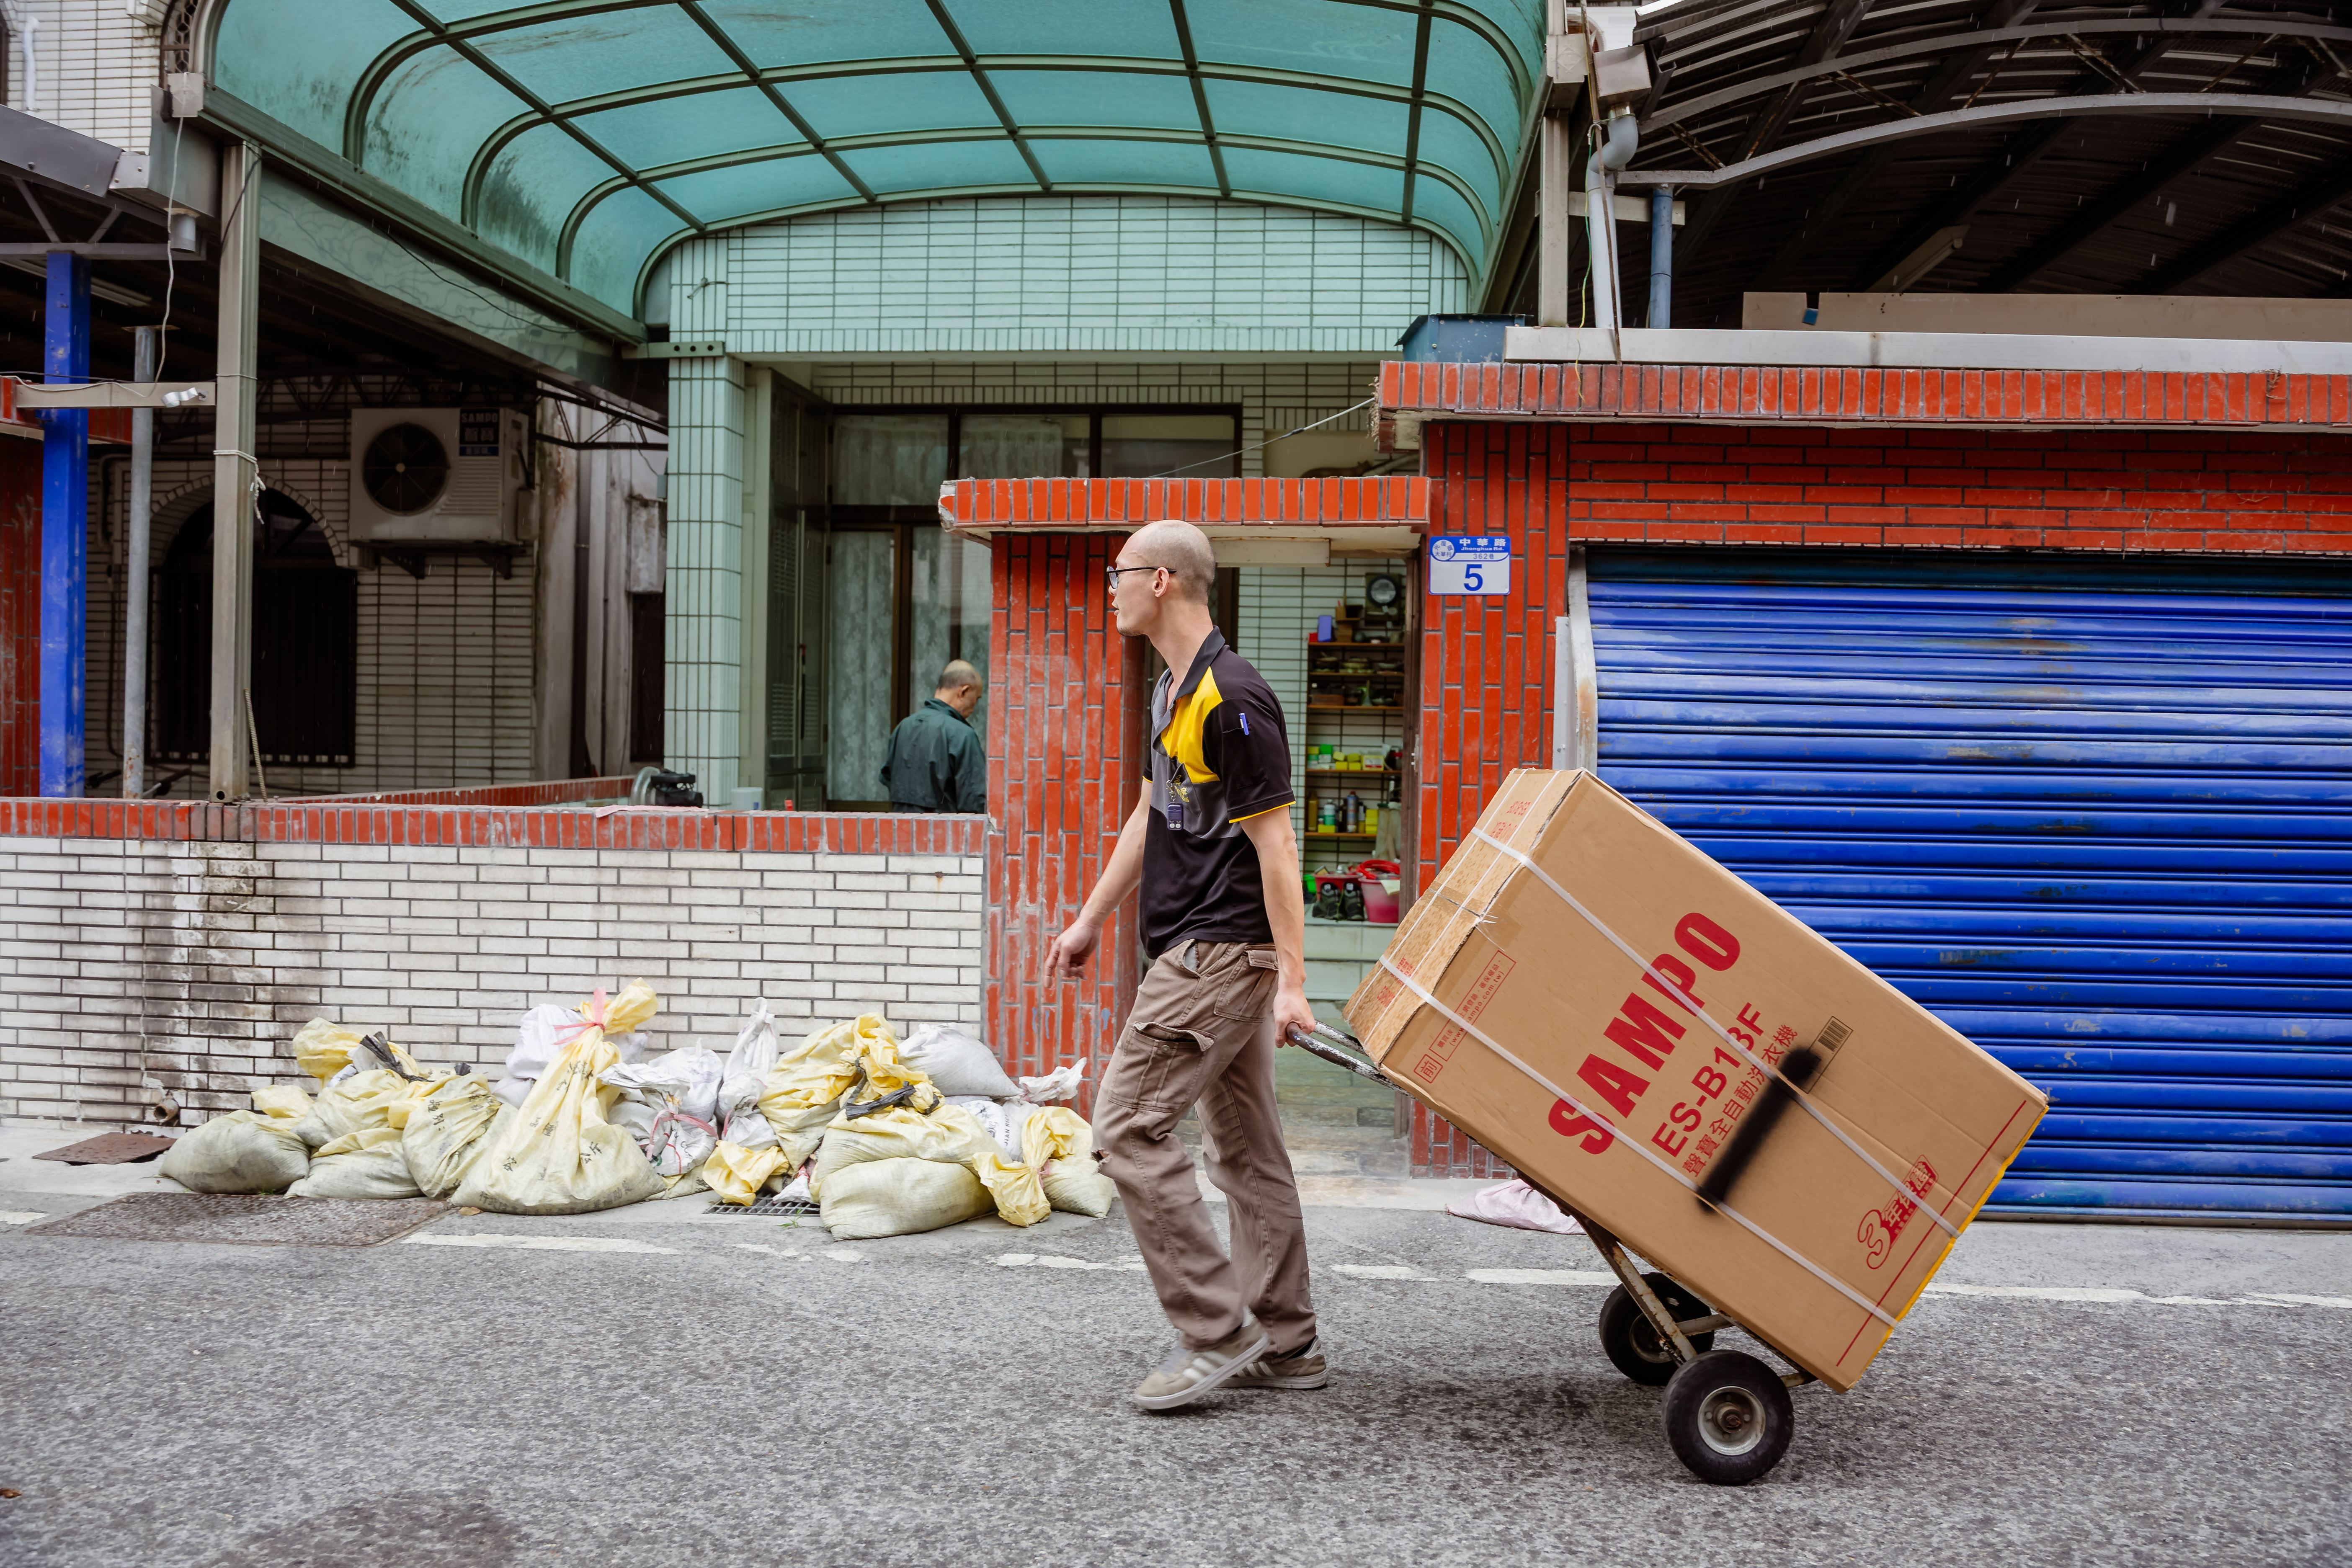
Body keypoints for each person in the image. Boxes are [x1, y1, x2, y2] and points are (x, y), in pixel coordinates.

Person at [1044, 519, 1322, 1412]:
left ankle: (1217, 1331)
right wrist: (1091, 920)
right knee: (1246, 1151)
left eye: (1118, 573)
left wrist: (1295, 979)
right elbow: (1148, 814)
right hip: (1203, 948)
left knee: (1126, 1128)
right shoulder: (1173, 690)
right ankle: (1287, 1341)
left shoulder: (1234, 697)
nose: (1110, 587)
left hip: (1216, 953)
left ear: (1162, 580)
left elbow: (1279, 847)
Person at [879, 660, 986, 812]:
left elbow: (888, 777)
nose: (974, 709)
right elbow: (976, 801)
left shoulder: (903, 727)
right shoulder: (962, 735)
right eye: (976, 700)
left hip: (900, 832)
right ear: (964, 692)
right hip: (944, 834)